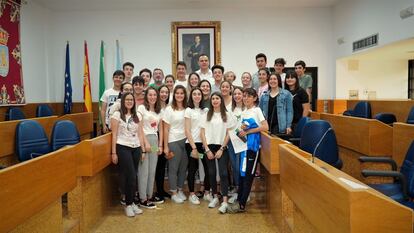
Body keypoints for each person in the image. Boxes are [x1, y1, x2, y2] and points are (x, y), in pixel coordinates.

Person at [227, 88, 268, 214]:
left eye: (249, 96)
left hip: (253, 148)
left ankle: (242, 205)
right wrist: (240, 131)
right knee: (242, 174)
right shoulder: (244, 112)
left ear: (255, 98)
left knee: (249, 176)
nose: (245, 98)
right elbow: (242, 131)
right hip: (243, 148)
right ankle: (240, 200)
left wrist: (248, 131)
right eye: (244, 96)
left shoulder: (257, 110)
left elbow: (265, 127)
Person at [111, 92, 146, 217]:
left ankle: (131, 202)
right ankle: (128, 204)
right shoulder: (116, 115)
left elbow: (140, 134)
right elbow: (114, 135)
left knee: (133, 175)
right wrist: (113, 152)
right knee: (130, 175)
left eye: (131, 100)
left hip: (136, 147)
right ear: (123, 101)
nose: (130, 101)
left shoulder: (138, 116)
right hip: (122, 147)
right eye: (127, 99)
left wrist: (143, 150)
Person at [200, 92, 235, 213]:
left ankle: (224, 201)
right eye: (213, 98)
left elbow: (228, 133)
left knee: (224, 173)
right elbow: (202, 133)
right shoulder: (206, 115)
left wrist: (222, 149)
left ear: (221, 100)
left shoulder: (227, 115)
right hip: (209, 147)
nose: (215, 100)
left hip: (221, 147)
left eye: (217, 98)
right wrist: (207, 149)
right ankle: (215, 196)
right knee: (211, 173)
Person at [137, 87, 163, 209]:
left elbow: (160, 129)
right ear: (146, 96)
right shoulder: (142, 108)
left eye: (154, 95)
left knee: (152, 170)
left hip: (154, 140)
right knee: (144, 171)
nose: (152, 97)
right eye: (150, 95)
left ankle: (149, 195)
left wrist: (160, 145)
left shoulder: (158, 111)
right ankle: (142, 198)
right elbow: (140, 127)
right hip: (144, 139)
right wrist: (145, 143)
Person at [184, 87, 210, 205]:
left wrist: (206, 144)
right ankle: (192, 194)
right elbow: (187, 130)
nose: (197, 96)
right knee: (193, 169)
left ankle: (206, 192)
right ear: (191, 96)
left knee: (208, 168)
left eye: (199, 94)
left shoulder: (205, 110)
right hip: (192, 144)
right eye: (194, 94)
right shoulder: (188, 110)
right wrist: (193, 147)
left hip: (203, 144)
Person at [163, 85, 188, 204]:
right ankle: (173, 192)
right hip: (173, 141)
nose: (179, 95)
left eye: (182, 93)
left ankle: (179, 189)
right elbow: (166, 129)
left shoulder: (187, 109)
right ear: (174, 95)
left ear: (185, 95)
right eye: (177, 93)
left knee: (183, 168)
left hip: (186, 140)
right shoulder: (169, 109)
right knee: (173, 168)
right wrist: (166, 146)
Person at [153, 85, 172, 202]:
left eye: (166, 92)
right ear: (158, 93)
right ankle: (157, 191)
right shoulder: (155, 108)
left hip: (166, 139)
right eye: (162, 92)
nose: (164, 94)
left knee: (163, 165)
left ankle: (161, 189)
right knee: (157, 165)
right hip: (155, 140)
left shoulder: (169, 108)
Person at [227, 86, 245, 203]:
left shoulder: (247, 109)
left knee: (241, 167)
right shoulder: (229, 109)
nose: (237, 96)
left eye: (239, 94)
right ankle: (238, 189)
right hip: (231, 142)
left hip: (244, 142)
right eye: (235, 94)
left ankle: (244, 191)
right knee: (234, 167)